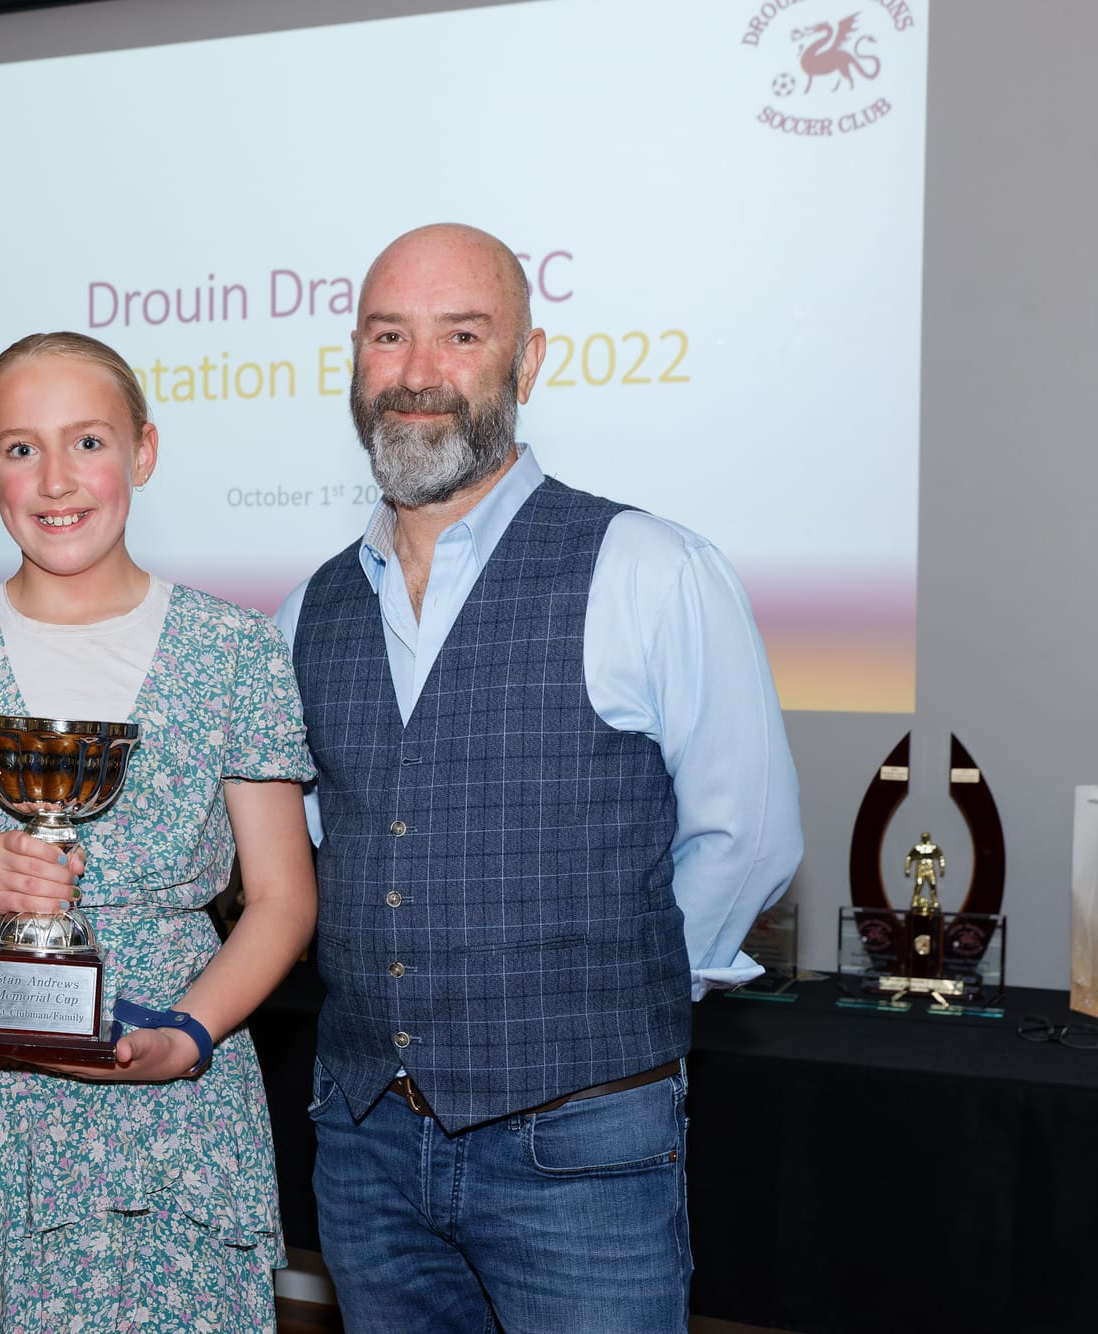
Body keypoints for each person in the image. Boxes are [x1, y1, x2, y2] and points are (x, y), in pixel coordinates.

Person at [274, 224, 802, 1333]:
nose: (416, 372)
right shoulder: (305, 608)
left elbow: (745, 835)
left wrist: (614, 1015)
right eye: (387, 335)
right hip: (364, 1150)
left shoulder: (648, 567)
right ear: (354, 361)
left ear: (524, 362)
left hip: (580, 1152)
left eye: (459, 334)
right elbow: (316, 859)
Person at [0, 331, 317, 1329]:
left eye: (88, 441)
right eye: (20, 448)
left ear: (143, 451)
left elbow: (281, 896)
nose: (55, 478)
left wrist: (190, 1031)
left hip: (173, 1095)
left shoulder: (234, 647)